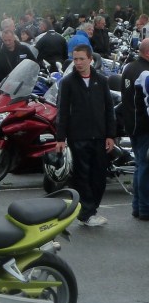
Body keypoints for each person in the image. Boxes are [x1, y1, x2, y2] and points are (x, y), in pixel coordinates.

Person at [55, 44, 116, 227]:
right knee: (81, 176)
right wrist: (60, 138)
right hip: (78, 136)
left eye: (82, 59)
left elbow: (109, 109)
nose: (79, 62)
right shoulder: (67, 82)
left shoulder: (102, 80)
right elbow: (62, 111)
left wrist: (110, 135)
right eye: (75, 59)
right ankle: (86, 213)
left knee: (98, 177)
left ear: (90, 59)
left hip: (99, 136)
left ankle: (92, 209)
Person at [120, 39, 149, 220]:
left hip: (132, 124)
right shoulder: (146, 72)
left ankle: (138, 206)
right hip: (144, 126)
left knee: (140, 166)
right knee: (145, 167)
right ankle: (145, 207)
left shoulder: (129, 68)